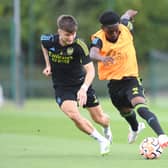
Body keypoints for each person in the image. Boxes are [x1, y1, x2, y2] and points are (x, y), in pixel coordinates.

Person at [89, 9, 168, 148]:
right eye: (110, 31)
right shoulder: (98, 38)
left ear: (119, 25)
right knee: (125, 111)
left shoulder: (124, 28)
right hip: (114, 83)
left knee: (140, 105)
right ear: (103, 29)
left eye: (115, 29)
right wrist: (102, 58)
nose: (113, 33)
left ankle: (161, 136)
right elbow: (92, 53)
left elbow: (126, 16)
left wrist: (131, 13)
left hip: (131, 79)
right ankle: (135, 128)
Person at [40, 14, 112, 155]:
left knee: (100, 119)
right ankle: (102, 140)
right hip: (62, 87)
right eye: (67, 35)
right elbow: (43, 45)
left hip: (81, 84)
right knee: (74, 115)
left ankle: (106, 127)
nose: (71, 38)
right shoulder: (48, 40)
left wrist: (84, 89)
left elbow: (91, 70)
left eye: (73, 34)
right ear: (59, 31)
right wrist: (48, 65)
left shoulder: (80, 46)